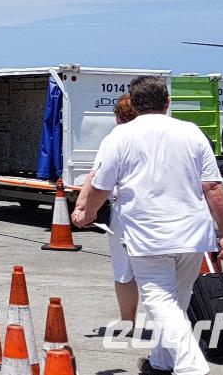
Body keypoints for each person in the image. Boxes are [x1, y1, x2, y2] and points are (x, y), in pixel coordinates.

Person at [72, 76, 223, 375]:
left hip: (148, 236)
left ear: (133, 104)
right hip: (192, 235)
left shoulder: (120, 137)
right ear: (167, 102)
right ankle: (162, 362)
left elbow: (100, 185)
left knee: (160, 302)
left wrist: (86, 213)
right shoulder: (192, 132)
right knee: (177, 301)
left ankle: (192, 367)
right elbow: (213, 186)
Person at [75, 94, 142, 333]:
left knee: (125, 270)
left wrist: (83, 210)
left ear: (117, 117)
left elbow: (97, 177)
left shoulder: (116, 138)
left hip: (127, 212)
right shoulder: (172, 134)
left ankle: (128, 323)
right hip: (172, 214)